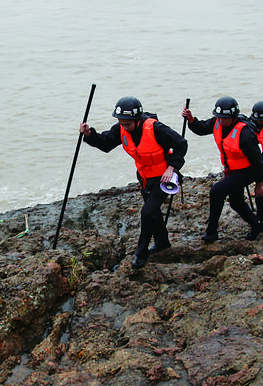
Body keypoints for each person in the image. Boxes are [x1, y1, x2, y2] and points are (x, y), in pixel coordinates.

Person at [80, 96, 187, 272]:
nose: (124, 127)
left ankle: (141, 252)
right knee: (153, 213)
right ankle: (162, 243)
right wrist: (89, 134)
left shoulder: (156, 128)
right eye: (121, 123)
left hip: (164, 179)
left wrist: (172, 167)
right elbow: (105, 143)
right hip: (145, 178)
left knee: (147, 212)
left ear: (137, 120)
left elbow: (181, 144)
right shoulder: (121, 128)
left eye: (127, 124)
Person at [181, 96, 263, 243]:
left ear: (233, 117)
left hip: (248, 171)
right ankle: (256, 225)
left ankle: (212, 232)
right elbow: (201, 129)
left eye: (224, 118)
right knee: (236, 201)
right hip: (232, 170)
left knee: (216, 191)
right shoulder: (217, 123)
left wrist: (259, 185)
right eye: (218, 117)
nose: (221, 120)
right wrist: (190, 118)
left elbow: (258, 161)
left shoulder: (245, 133)